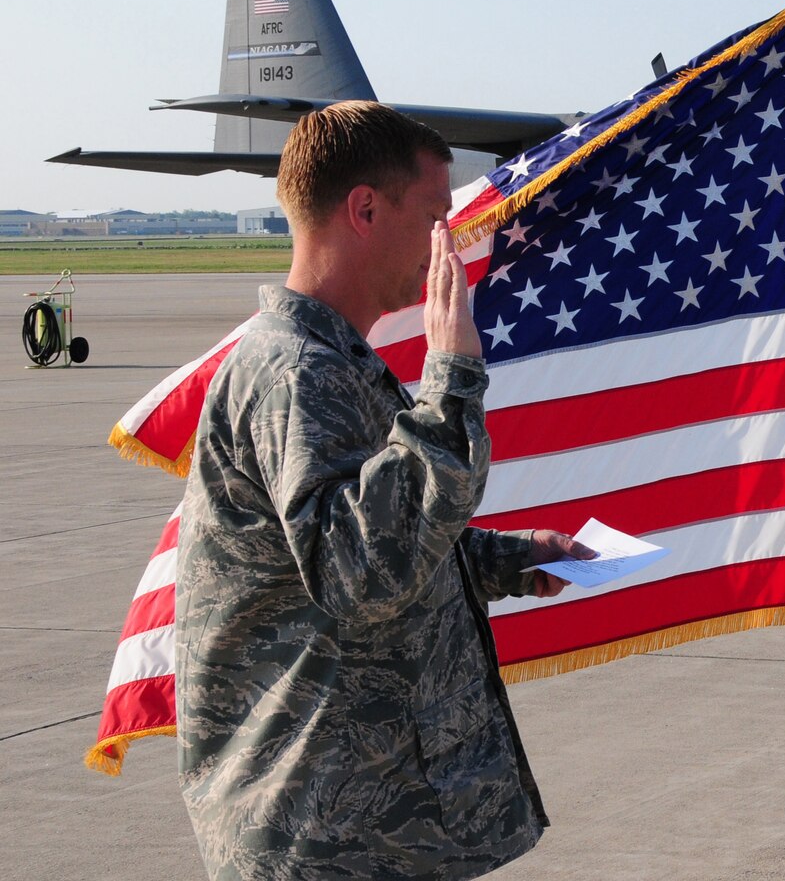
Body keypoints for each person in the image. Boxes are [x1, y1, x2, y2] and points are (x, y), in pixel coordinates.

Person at [176, 101, 591, 881]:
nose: (451, 239)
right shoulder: (298, 375)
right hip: (325, 831)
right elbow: (358, 573)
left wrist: (506, 560)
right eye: (436, 216)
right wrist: (453, 385)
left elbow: (360, 537)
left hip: (359, 823)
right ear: (364, 209)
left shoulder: (327, 362)